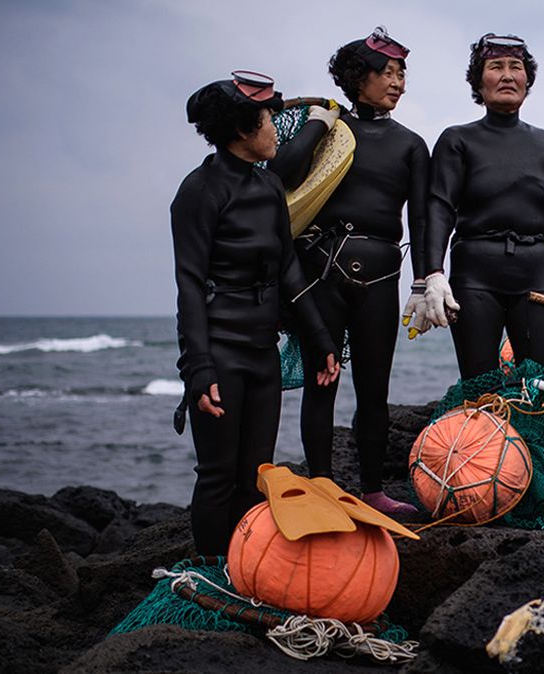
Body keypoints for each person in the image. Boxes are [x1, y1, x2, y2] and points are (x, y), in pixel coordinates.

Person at [172, 71, 340, 555]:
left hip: (263, 352)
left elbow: (287, 268)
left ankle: (242, 568)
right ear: (243, 131)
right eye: (268, 119)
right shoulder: (199, 191)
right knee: (218, 475)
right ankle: (211, 570)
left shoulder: (268, 186)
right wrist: (199, 368)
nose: (276, 128)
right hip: (221, 353)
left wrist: (320, 339)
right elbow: (189, 284)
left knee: (255, 474)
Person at [267, 27, 429, 515]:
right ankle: (321, 485)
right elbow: (279, 176)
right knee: (322, 382)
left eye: (402, 74)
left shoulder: (411, 145)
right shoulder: (330, 130)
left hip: (381, 276)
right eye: (388, 73)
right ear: (359, 78)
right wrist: (317, 125)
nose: (397, 82)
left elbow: (421, 220)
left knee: (374, 389)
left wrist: (425, 281)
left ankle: (373, 491)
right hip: (321, 271)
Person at [422, 33, 544, 378]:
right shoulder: (457, 140)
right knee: (480, 383)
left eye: (515, 67)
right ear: (478, 81)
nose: (506, 75)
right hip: (475, 272)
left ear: (527, 81)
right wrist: (433, 274)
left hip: (535, 273)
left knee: (538, 383)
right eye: (495, 67)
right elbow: (440, 208)